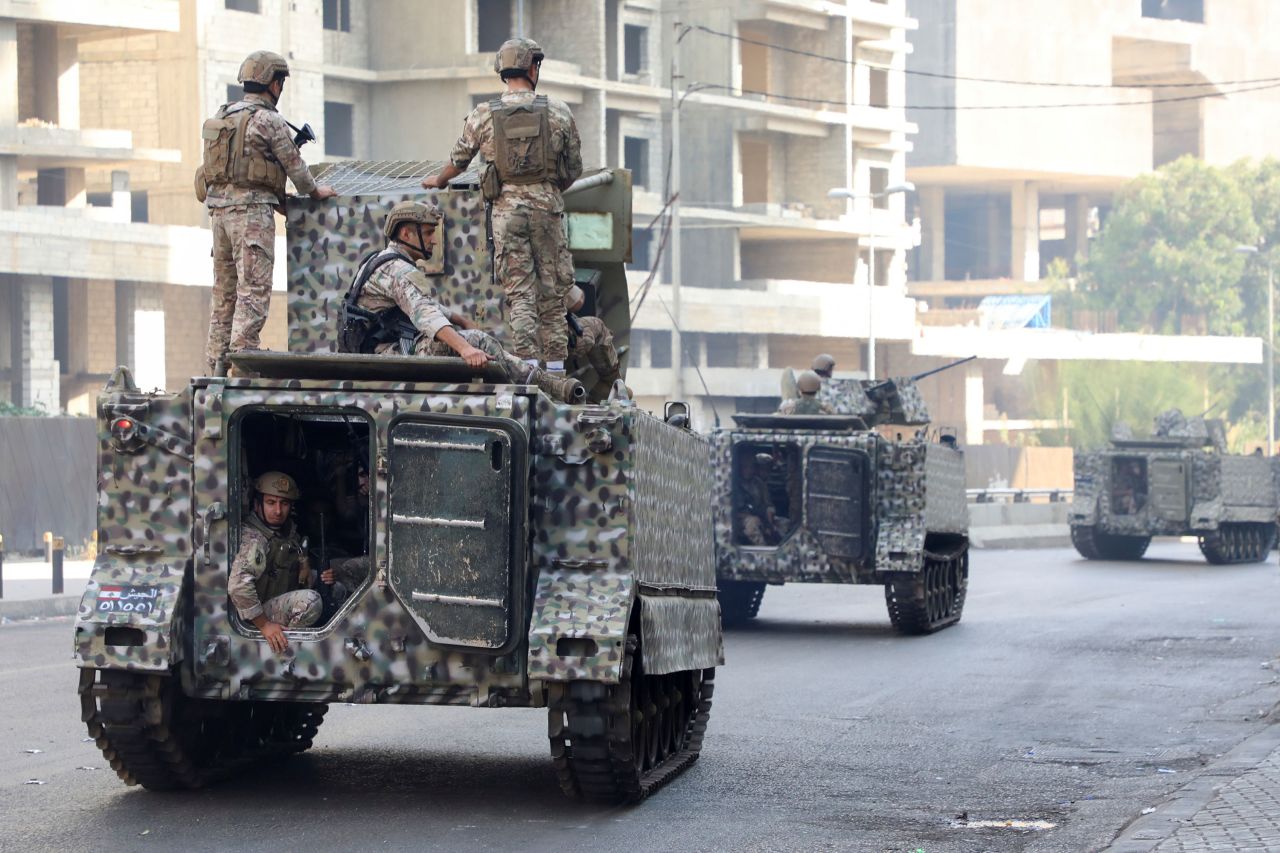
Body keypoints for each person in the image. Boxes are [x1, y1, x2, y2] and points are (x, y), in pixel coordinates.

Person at [422, 38, 582, 373]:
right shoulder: (558, 111)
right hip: (548, 210)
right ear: (532, 67)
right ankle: (556, 371)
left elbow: (460, 159)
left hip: (506, 214)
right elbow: (573, 169)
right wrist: (547, 188)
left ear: (502, 71)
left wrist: (438, 180)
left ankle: (527, 370)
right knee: (552, 291)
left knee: (520, 292)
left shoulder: (483, 114)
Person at [338, 201, 583, 402]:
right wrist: (466, 348)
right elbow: (426, 315)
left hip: (379, 349)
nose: (433, 240)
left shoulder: (383, 260)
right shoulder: (399, 270)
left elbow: (426, 305)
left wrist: (463, 321)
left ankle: (537, 385)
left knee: (470, 335)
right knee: (478, 341)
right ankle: (546, 391)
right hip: (385, 355)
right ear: (406, 233)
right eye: (427, 233)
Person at [199, 50, 337, 378]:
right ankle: (243, 362)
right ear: (273, 84)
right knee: (254, 288)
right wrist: (316, 192)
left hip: (219, 215)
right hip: (251, 217)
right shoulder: (269, 121)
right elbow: (296, 169)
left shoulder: (224, 115)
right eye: (281, 83)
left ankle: (217, 364)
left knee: (224, 292)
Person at [228, 472, 322, 653]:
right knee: (310, 602)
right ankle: (283, 650)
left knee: (338, 587)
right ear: (257, 504)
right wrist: (264, 625)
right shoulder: (254, 538)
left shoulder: (289, 535)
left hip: (272, 605)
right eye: (271, 503)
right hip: (254, 617)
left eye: (284, 503)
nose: (278, 511)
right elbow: (238, 586)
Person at [563, 284, 621, 400]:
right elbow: (577, 301)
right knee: (597, 327)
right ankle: (610, 385)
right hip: (549, 339)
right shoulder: (550, 270)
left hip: (522, 347)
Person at [734, 453, 781, 547]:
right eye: (745, 467)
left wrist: (769, 520)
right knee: (752, 524)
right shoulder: (733, 484)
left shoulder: (759, 483)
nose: (748, 470)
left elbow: (768, 504)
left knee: (785, 524)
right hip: (739, 520)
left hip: (761, 516)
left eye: (751, 467)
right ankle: (765, 553)